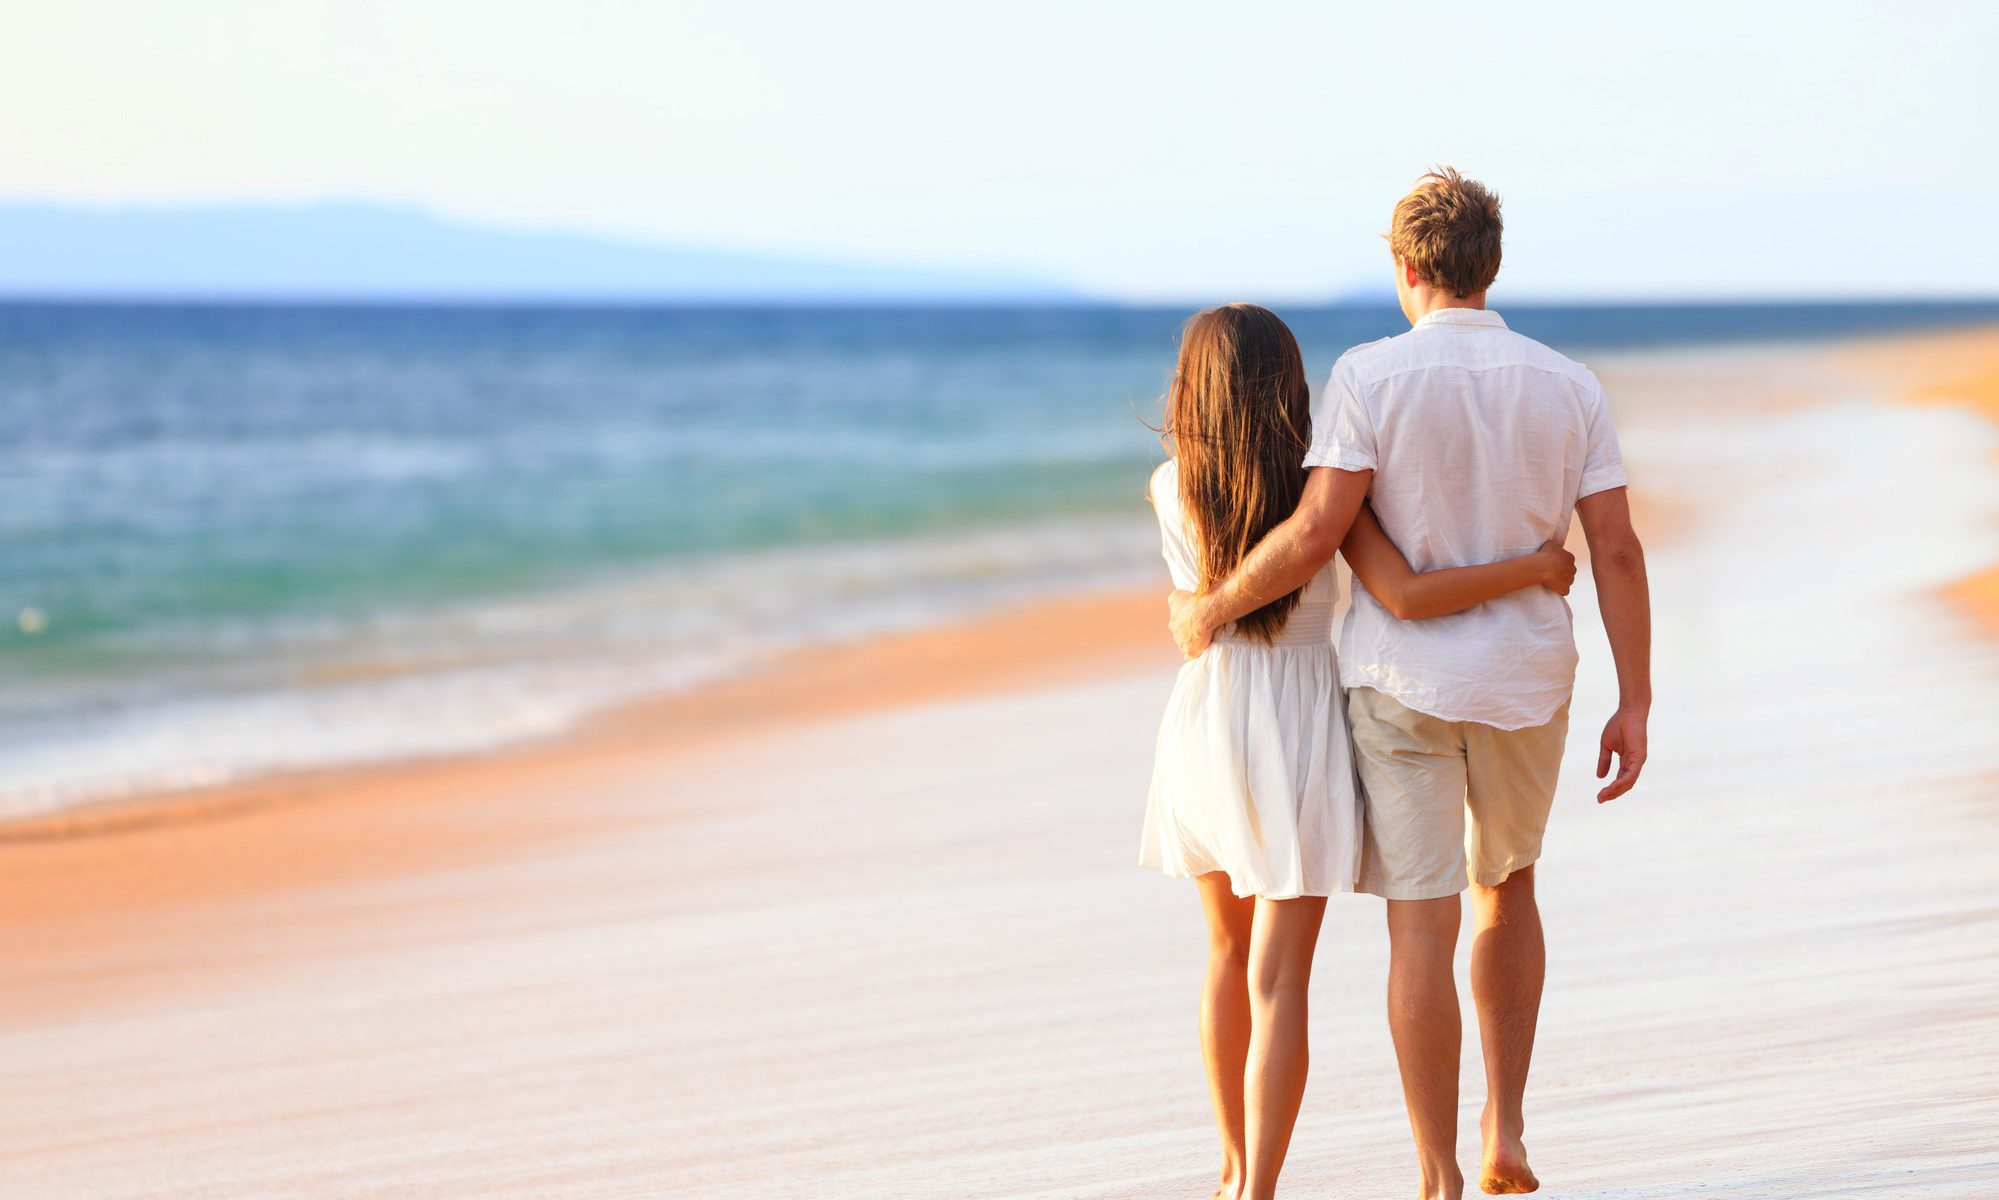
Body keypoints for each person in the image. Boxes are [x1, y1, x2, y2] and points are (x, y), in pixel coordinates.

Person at [1166, 170, 1653, 1200]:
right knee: (1508, 887)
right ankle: (1503, 1131)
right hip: (1528, 678)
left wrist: (1208, 612)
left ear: (1404, 268)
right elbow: (1614, 547)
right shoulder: (1569, 383)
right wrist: (1635, 697)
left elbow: (1315, 531)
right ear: (1491, 265)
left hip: (1401, 684)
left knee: (1417, 923)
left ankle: (1434, 1172)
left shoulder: (1369, 379)